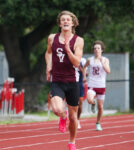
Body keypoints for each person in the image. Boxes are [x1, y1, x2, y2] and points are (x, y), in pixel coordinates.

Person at [45, 10, 84, 150]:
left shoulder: (78, 40)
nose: (65, 21)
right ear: (60, 23)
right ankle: (62, 115)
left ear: (73, 23)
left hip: (73, 82)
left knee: (74, 118)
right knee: (56, 109)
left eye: (68, 19)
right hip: (57, 80)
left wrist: (68, 50)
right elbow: (49, 52)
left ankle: (72, 142)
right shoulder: (52, 38)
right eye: (63, 20)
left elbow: (76, 63)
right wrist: (48, 67)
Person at [83, 40, 111, 131]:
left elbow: (108, 71)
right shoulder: (90, 60)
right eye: (95, 48)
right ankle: (93, 103)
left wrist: (102, 63)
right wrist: (84, 76)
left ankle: (98, 123)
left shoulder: (105, 59)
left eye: (98, 48)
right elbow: (84, 68)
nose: (96, 50)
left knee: (100, 107)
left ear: (102, 50)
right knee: (89, 99)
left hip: (101, 85)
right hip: (92, 84)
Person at [77, 57, 87, 129]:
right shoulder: (69, 57)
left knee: (80, 103)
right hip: (70, 82)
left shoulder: (83, 60)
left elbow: (87, 73)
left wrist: (84, 73)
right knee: (71, 104)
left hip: (80, 83)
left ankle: (77, 119)